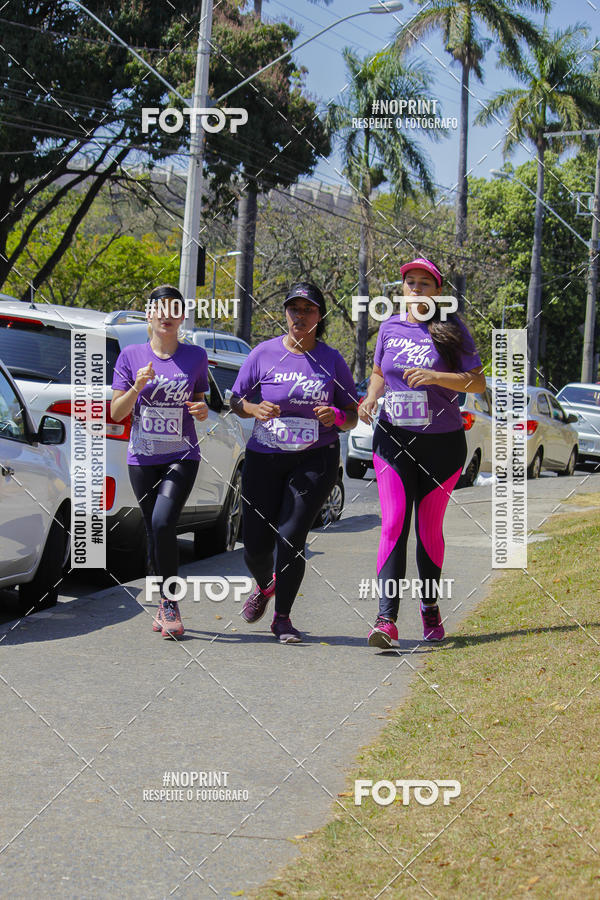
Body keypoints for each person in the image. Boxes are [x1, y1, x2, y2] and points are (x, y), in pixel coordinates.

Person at [359, 258, 485, 648]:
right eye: (409, 282)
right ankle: (385, 619)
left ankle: (429, 607)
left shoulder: (453, 330)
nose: (415, 288)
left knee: (428, 529)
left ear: (438, 292)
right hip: (393, 438)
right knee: (394, 522)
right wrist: (371, 398)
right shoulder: (389, 327)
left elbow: (477, 383)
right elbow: (380, 371)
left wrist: (435, 377)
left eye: (423, 283)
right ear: (402, 289)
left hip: (442, 444)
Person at [230, 282, 358, 643]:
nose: (300, 316)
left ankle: (283, 619)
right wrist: (255, 408)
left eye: (309, 310)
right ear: (285, 313)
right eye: (294, 309)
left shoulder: (332, 360)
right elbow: (235, 399)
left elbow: (353, 414)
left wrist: (336, 415)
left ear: (320, 316)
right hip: (264, 456)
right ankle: (265, 583)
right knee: (254, 546)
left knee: (290, 536)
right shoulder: (263, 354)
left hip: (316, 458)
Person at [110, 285, 209, 639]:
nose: (167, 314)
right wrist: (137, 387)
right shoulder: (131, 356)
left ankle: (170, 604)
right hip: (142, 458)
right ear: (149, 314)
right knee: (153, 530)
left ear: (182, 317)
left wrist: (201, 409)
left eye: (174, 309)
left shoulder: (196, 357)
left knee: (165, 522)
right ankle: (162, 604)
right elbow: (116, 411)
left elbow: (200, 402)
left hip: (182, 455)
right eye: (159, 308)